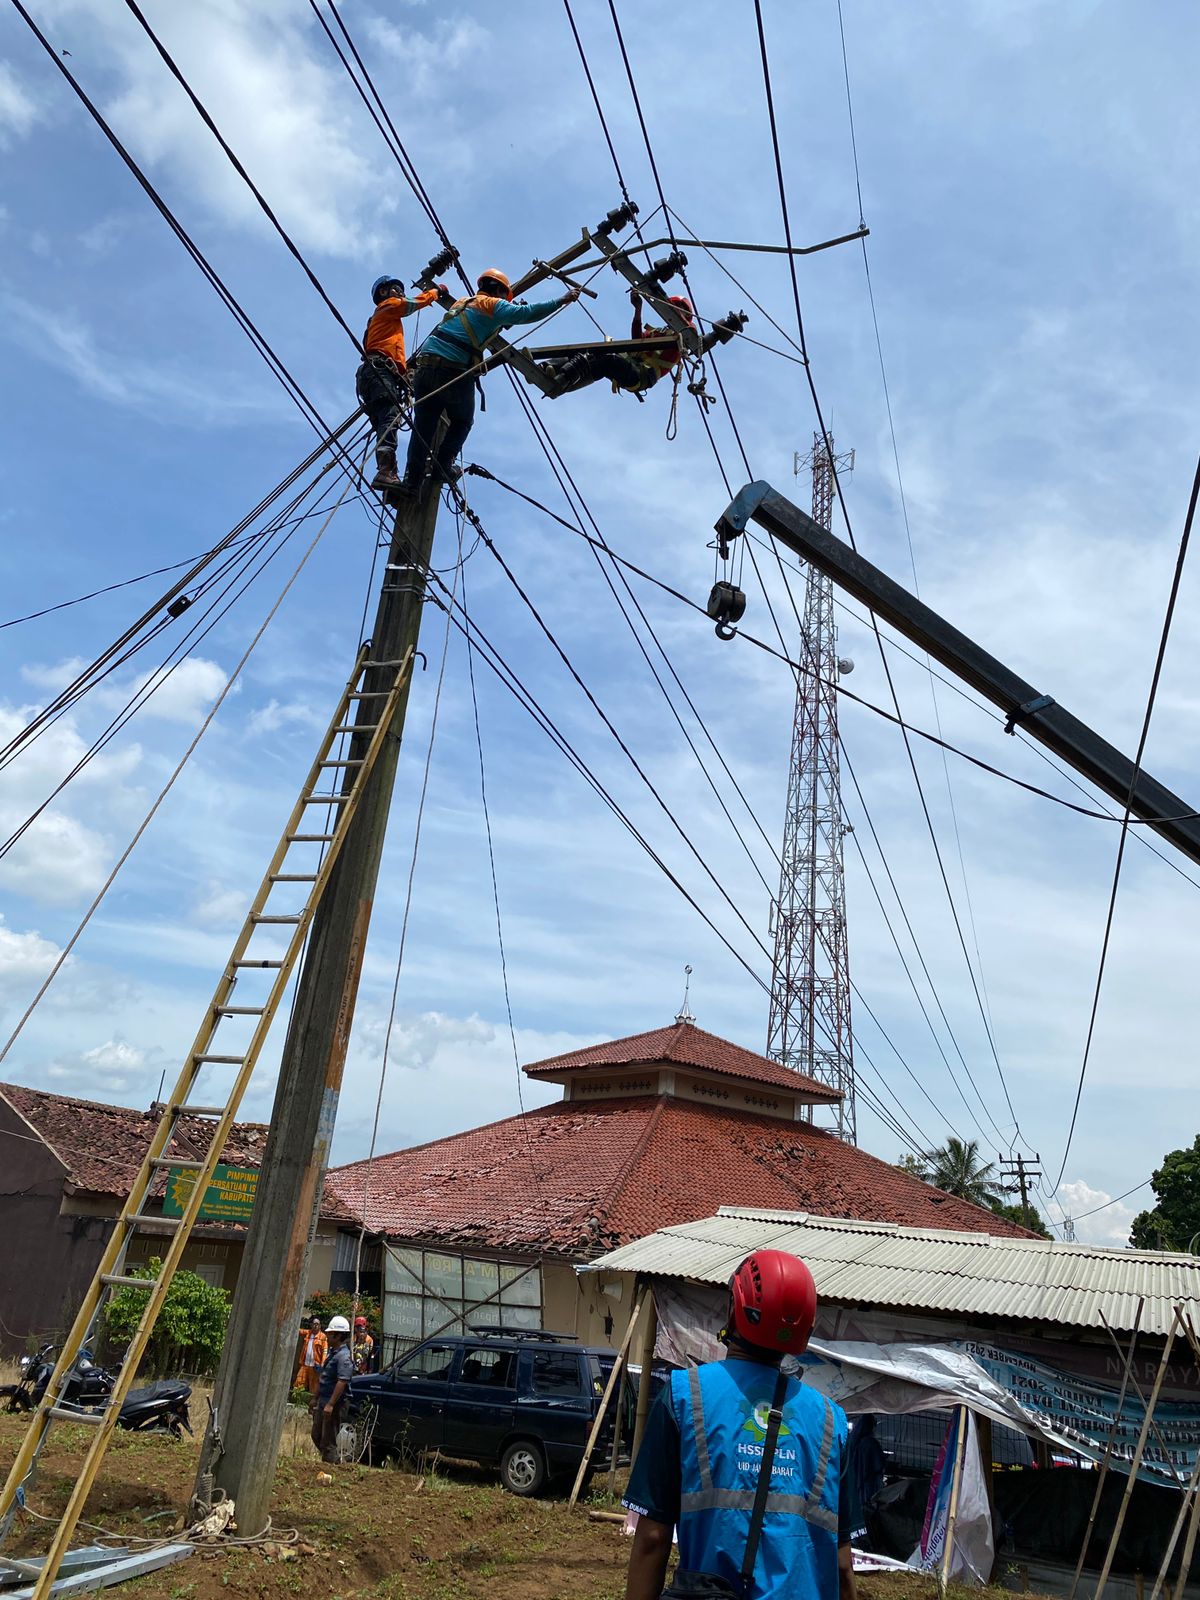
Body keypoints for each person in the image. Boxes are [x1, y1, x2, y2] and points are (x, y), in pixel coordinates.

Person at [622, 1249, 857, 1600]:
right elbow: (841, 1565)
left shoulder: (685, 1396)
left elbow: (652, 1539)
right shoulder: (831, 1422)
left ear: (735, 1309)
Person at [401, 268, 579, 495]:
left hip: (424, 370)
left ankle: (411, 483)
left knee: (423, 428)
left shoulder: (464, 303)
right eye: (505, 296)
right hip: (451, 371)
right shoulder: (493, 304)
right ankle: (441, 467)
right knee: (462, 421)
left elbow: (481, 327)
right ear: (499, 290)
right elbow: (526, 313)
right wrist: (561, 300)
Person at [357, 275, 449, 491]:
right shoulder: (388, 306)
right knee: (389, 418)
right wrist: (436, 292)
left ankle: (389, 474)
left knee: (385, 423)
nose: (400, 293)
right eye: (396, 289)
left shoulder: (382, 323)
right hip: (379, 372)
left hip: (374, 375)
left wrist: (406, 373)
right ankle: (386, 472)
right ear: (383, 292)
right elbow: (410, 305)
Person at [546, 289, 694, 398]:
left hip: (641, 375)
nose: (674, 311)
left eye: (679, 309)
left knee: (608, 360)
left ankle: (563, 380)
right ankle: (549, 367)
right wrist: (638, 309)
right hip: (630, 365)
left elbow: (690, 331)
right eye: (674, 307)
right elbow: (637, 340)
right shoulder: (659, 333)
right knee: (591, 353)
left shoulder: (685, 335)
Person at [311, 1313, 354, 1464]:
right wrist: (316, 1398)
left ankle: (331, 1465)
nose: (327, 1337)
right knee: (316, 1435)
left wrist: (330, 1404)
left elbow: (342, 1381)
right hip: (324, 1399)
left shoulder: (344, 1357)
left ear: (338, 1336)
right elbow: (324, 1378)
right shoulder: (333, 1354)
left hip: (334, 1403)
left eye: (330, 1334)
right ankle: (330, 1461)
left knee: (328, 1440)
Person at [848, 1414, 885, 1517]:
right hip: (871, 1486)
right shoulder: (871, 1443)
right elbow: (878, 1466)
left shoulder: (855, 1445)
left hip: (858, 1487)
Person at [294, 1315, 326, 1399]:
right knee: (299, 1382)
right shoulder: (308, 1333)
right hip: (305, 1364)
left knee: (314, 1386)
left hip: (315, 1366)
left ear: (320, 1325)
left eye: (317, 1324)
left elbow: (325, 1351)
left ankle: (311, 1403)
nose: (315, 1325)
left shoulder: (323, 1337)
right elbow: (298, 1330)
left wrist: (322, 1363)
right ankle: (296, 1400)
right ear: (311, 1325)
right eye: (314, 1323)